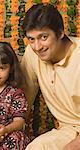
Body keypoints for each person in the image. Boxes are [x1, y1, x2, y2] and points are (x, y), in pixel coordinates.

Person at [21, 3, 80, 150]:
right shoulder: (32, 53)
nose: (37, 46)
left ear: (60, 33)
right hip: (68, 131)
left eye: (44, 37)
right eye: (31, 39)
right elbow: (23, 98)